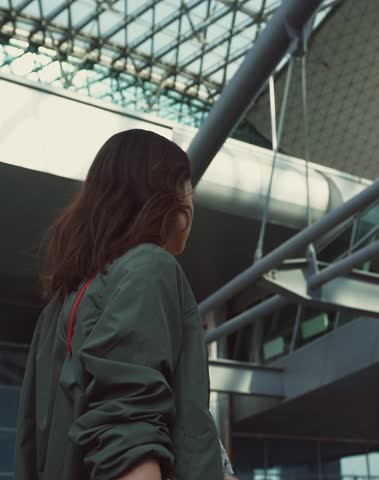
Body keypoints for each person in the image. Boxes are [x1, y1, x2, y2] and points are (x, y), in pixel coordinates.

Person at [14, 129, 233, 480]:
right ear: (164, 192)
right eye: (186, 183)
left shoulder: (59, 305)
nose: (192, 198)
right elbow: (128, 427)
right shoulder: (149, 265)